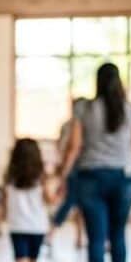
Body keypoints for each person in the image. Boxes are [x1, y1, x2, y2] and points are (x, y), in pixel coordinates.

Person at [58, 63, 131, 262]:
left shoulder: (83, 109)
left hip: (90, 178)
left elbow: (74, 147)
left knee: (96, 239)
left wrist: (63, 176)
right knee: (118, 236)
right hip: (124, 178)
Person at [0, 139, 56, 262]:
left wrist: (2, 221)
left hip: (17, 226)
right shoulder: (41, 177)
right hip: (37, 227)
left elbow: (4, 203)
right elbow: (49, 200)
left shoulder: (9, 177)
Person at [48, 98, 87, 250]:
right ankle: (52, 233)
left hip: (81, 169)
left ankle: (79, 237)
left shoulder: (85, 125)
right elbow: (64, 148)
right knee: (71, 202)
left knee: (79, 205)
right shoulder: (68, 126)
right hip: (74, 170)